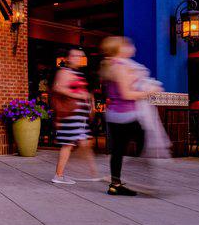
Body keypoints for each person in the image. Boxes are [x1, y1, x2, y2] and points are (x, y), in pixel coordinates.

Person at [100, 36, 162, 196]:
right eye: (127, 45)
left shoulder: (112, 65)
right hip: (126, 114)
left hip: (115, 114)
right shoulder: (119, 66)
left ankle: (116, 183)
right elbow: (126, 94)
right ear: (119, 49)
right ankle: (136, 179)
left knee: (118, 149)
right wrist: (149, 91)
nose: (130, 48)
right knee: (143, 142)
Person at [50, 48, 99, 185]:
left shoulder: (77, 73)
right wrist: (79, 95)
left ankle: (93, 174)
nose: (78, 58)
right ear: (68, 58)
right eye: (75, 56)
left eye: (80, 56)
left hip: (78, 116)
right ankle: (58, 175)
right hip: (70, 115)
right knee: (68, 144)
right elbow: (58, 88)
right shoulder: (64, 72)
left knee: (85, 143)